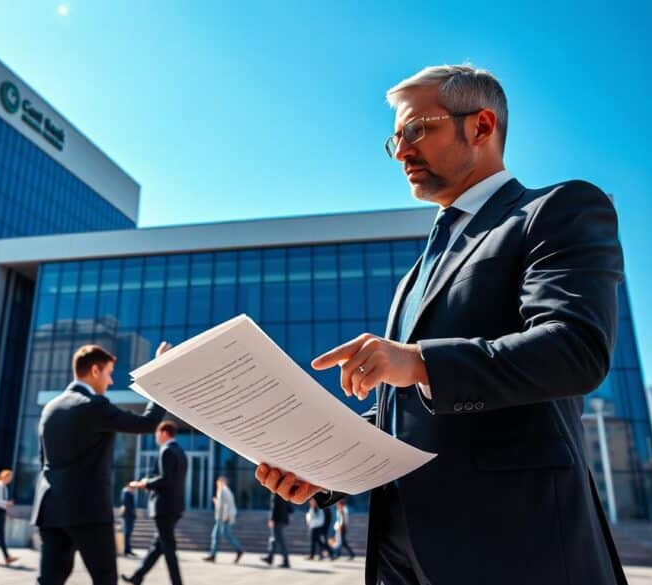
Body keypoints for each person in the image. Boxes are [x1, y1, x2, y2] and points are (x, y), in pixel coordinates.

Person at [255, 64, 628, 585]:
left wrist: (420, 360)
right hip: (400, 558)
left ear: (480, 125)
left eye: (416, 130)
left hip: (514, 552)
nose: (402, 151)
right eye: (396, 139)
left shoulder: (555, 211)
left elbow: (574, 349)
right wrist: (323, 469)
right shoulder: (416, 272)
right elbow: (408, 412)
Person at [32, 343, 169, 585]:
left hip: (50, 509)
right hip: (88, 511)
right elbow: (147, 423)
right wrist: (160, 373)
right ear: (95, 371)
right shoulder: (93, 405)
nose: (111, 382)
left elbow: (45, 461)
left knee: (49, 581)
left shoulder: (50, 408)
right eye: (109, 373)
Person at [121, 420, 187, 585]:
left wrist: (144, 483)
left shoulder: (166, 451)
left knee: (168, 549)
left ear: (164, 432)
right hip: (175, 506)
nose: (156, 437)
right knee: (158, 546)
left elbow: (165, 479)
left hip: (163, 507)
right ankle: (137, 576)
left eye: (157, 433)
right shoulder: (181, 452)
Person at [203, 475, 243, 563]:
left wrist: (225, 516)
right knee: (218, 535)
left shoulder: (223, 490)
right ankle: (213, 555)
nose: (217, 483)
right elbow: (224, 504)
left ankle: (238, 550)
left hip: (223, 518)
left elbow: (226, 505)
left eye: (218, 482)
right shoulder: (225, 491)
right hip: (222, 517)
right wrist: (217, 501)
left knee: (223, 535)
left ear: (222, 482)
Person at [260, 493, 291, 568]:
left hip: (277, 520)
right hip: (282, 519)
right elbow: (288, 507)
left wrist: (272, 519)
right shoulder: (284, 492)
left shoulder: (276, 493)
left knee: (280, 540)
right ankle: (270, 557)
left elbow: (274, 506)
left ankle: (286, 561)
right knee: (273, 539)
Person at [119, 485, 137, 557]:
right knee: (127, 533)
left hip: (129, 516)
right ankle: (126, 550)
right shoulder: (126, 492)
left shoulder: (128, 492)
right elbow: (127, 504)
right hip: (128, 516)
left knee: (128, 533)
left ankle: (128, 550)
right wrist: (133, 513)